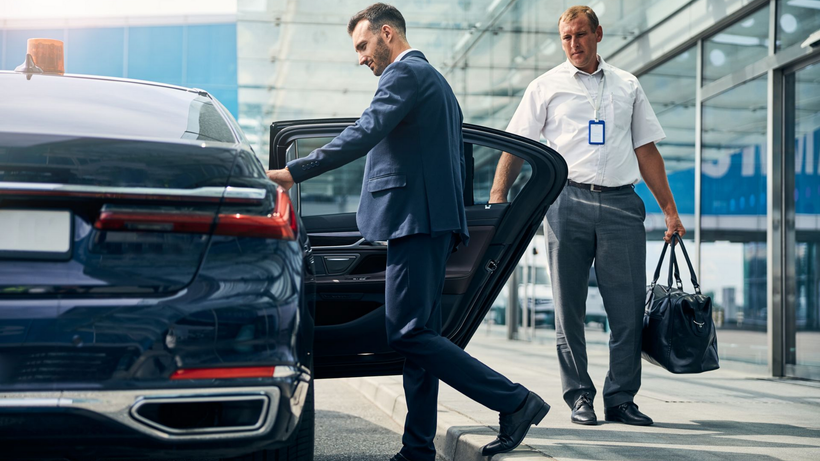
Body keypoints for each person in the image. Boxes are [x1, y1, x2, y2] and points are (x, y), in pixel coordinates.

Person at [265, 3, 549, 460]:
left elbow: (364, 131)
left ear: (387, 34)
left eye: (363, 45)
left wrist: (294, 171)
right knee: (420, 340)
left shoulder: (404, 75)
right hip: (430, 222)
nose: (361, 58)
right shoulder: (437, 83)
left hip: (415, 224)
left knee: (407, 334)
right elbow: (455, 161)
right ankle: (417, 448)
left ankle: (515, 401)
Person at [489, 5, 685, 427]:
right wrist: (498, 198)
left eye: (580, 35)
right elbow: (517, 144)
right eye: (566, 38)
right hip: (566, 203)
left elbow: (646, 149)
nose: (573, 44)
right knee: (569, 309)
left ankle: (620, 398)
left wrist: (669, 209)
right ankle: (579, 396)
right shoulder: (545, 86)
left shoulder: (628, 85)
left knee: (628, 310)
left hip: (622, 205)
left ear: (598, 34)